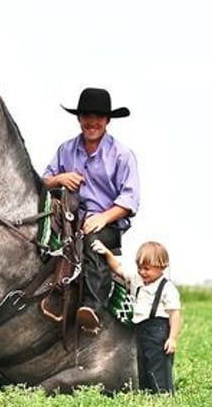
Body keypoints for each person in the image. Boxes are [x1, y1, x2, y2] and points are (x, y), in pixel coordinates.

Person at [42, 87, 140, 334]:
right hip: (67, 217)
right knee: (38, 237)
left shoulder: (122, 155)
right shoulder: (66, 150)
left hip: (106, 224)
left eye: (98, 117)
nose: (92, 122)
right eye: (86, 116)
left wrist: (103, 218)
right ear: (79, 119)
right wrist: (60, 179)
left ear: (107, 120)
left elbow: (130, 199)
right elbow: (42, 181)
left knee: (92, 242)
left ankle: (93, 309)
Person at [91, 239, 182, 394]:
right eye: (140, 268)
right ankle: (147, 394)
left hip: (158, 330)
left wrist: (172, 338)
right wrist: (107, 253)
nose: (142, 272)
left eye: (147, 269)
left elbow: (175, 315)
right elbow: (118, 268)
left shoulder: (167, 288)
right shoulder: (136, 279)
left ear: (162, 267)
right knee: (143, 364)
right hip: (141, 328)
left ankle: (164, 395)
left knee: (158, 365)